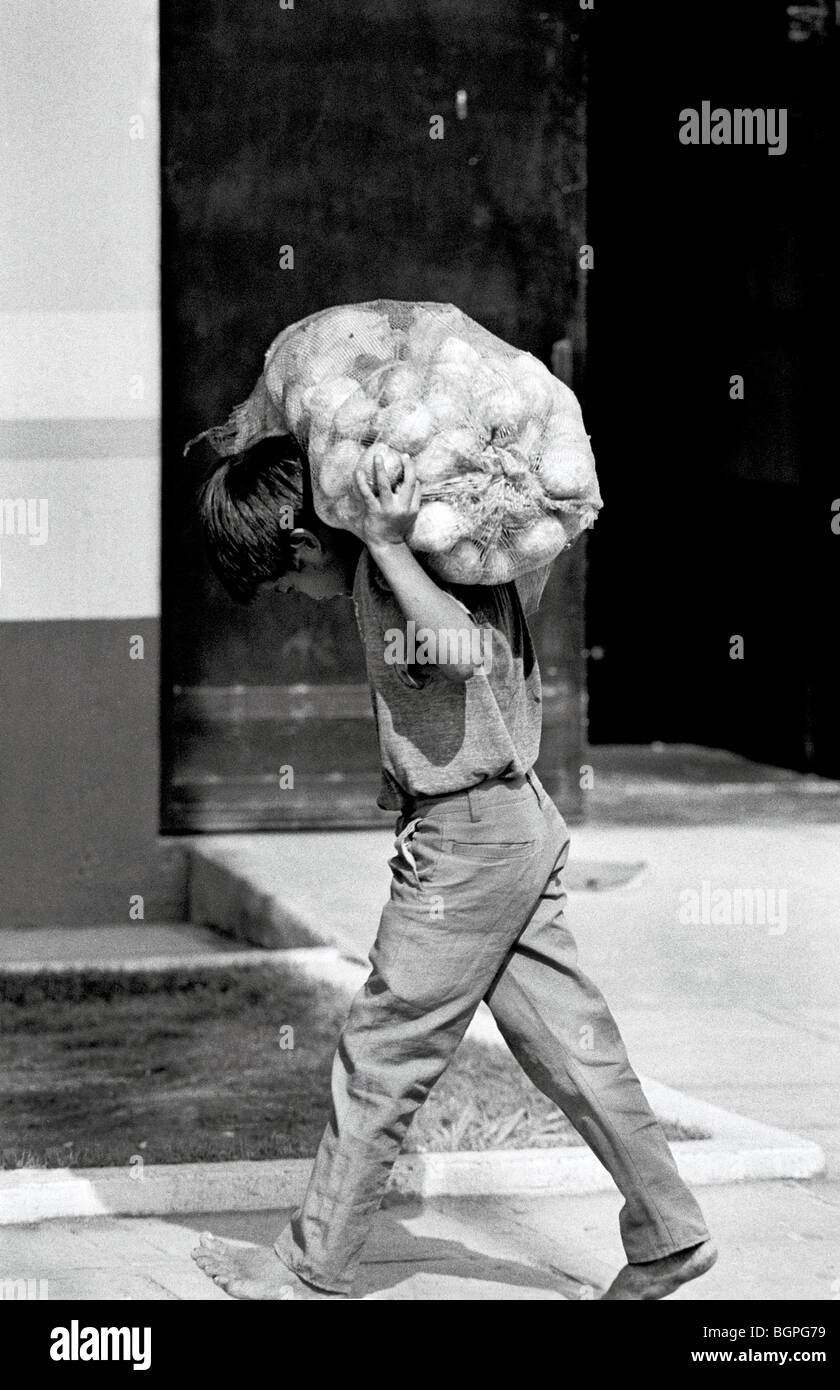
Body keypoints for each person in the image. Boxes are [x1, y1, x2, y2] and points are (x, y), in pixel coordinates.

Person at [191, 446, 717, 1301]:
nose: (298, 600)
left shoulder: (394, 566)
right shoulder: (457, 547)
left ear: (301, 545)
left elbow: (458, 649)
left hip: (468, 849)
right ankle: (669, 1233)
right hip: (515, 820)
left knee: (382, 1051)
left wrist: (388, 548)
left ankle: (306, 1267)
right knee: (573, 1045)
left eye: (287, 584)